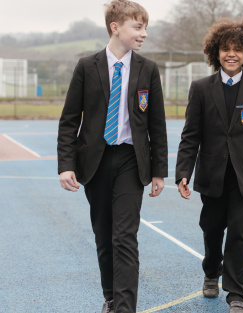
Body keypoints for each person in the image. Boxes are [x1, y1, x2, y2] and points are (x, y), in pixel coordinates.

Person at [57, 1, 168, 312]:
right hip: (95, 162)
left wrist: (159, 170)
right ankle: (110, 296)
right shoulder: (86, 66)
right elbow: (69, 120)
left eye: (146, 27)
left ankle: (124, 307)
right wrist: (65, 165)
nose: (144, 33)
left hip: (132, 161)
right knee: (104, 237)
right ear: (115, 28)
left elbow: (156, 124)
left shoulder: (148, 69)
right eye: (138, 26)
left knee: (125, 236)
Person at [175, 17, 243, 313]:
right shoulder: (201, 88)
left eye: (237, 49)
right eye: (225, 48)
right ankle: (211, 271)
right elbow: (190, 136)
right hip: (212, 175)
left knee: (241, 235)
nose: (231, 54)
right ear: (215, 52)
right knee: (211, 229)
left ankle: (236, 293)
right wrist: (183, 172)